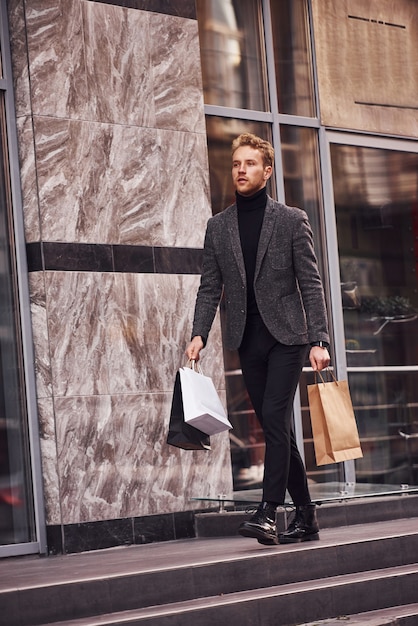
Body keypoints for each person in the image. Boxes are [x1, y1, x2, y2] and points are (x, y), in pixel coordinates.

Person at [186, 133, 330, 545]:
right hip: (247, 339)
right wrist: (199, 334)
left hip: (287, 337)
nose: (241, 170)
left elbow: (311, 284)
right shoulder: (218, 226)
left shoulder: (291, 219)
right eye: (236, 164)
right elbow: (209, 287)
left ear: (267, 171)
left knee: (274, 416)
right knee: (275, 425)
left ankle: (268, 512)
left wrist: (319, 339)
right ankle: (306, 515)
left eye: (250, 164)